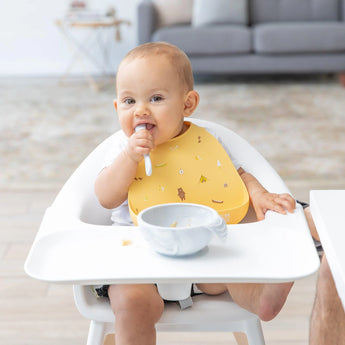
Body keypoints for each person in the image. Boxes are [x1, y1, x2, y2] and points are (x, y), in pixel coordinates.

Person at [94, 42, 298, 345]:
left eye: (156, 98)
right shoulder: (120, 149)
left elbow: (238, 175)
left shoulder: (206, 141)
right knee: (131, 303)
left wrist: (260, 193)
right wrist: (129, 158)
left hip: (204, 252)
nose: (141, 109)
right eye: (128, 101)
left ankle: (264, 295)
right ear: (116, 108)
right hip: (138, 257)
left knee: (233, 263)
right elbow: (105, 196)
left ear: (187, 104)